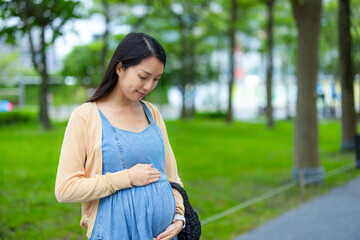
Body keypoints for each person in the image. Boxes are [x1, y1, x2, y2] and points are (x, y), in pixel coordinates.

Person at [55, 32, 185, 240]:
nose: (149, 86)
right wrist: (126, 178)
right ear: (119, 67)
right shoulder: (86, 116)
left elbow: (171, 176)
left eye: (156, 80)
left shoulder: (152, 113)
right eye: (143, 77)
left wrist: (179, 216)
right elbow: (65, 189)